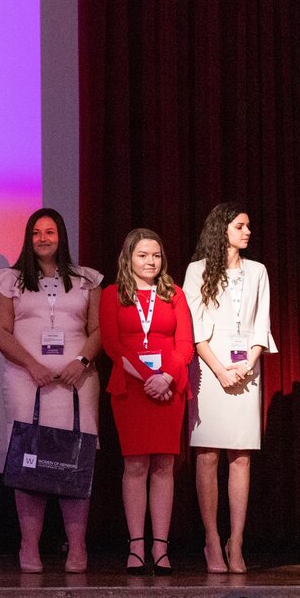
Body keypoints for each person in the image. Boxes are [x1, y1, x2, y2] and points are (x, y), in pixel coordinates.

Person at [0, 208, 102, 573]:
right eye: (36, 232)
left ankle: (77, 548)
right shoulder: (10, 280)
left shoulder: (86, 279)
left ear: (60, 236)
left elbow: (99, 330)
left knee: (75, 459)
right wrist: (31, 365)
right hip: (26, 380)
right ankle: (29, 546)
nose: (42, 238)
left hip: (77, 382)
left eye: (49, 232)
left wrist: (81, 362)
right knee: (29, 458)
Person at [182, 203, 277, 574]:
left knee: (241, 455)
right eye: (240, 226)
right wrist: (220, 370)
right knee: (207, 454)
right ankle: (211, 538)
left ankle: (235, 541)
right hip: (209, 367)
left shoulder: (258, 271)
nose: (247, 231)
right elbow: (193, 327)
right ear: (221, 229)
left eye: (248, 226)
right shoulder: (197, 270)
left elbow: (261, 323)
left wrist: (248, 364)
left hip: (246, 367)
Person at [100, 228, 194, 575]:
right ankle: (137, 547)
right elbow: (112, 344)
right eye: (142, 255)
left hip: (169, 387)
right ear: (128, 258)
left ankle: (161, 547)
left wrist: (165, 377)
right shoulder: (112, 294)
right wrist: (147, 377)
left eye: (156, 255)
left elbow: (185, 344)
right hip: (131, 387)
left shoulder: (175, 294)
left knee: (164, 466)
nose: (150, 261)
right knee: (136, 466)